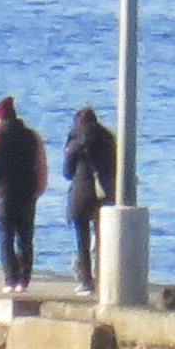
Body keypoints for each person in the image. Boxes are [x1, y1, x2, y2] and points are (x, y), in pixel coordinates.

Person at [0, 97, 47, 300]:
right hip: (27, 193)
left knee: (5, 237)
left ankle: (10, 280)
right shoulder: (33, 137)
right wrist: (38, 189)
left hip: (2, 194)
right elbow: (41, 167)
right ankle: (24, 280)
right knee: (25, 237)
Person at [61, 102, 119, 285]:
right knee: (103, 238)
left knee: (82, 240)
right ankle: (104, 277)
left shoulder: (75, 139)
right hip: (105, 192)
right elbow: (114, 165)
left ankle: (86, 281)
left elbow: (67, 172)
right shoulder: (108, 137)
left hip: (82, 192)